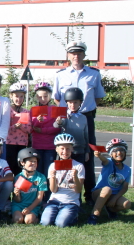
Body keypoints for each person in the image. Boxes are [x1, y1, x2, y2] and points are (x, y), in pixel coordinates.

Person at [53, 41, 105, 204]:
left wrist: (83, 111)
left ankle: (89, 195)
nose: (76, 56)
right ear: (68, 56)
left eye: (79, 53)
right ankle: (64, 192)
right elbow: (56, 98)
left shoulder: (94, 74)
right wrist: (67, 114)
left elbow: (97, 97)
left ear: (84, 55)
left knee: (87, 156)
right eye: (73, 53)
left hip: (86, 117)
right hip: (66, 118)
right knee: (64, 154)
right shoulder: (60, 74)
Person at [53, 87, 91, 203]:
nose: (73, 105)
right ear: (66, 103)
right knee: (63, 175)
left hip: (79, 151)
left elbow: (86, 135)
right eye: (70, 103)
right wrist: (59, 121)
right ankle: (60, 198)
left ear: (80, 103)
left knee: (77, 177)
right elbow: (56, 125)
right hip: (66, 152)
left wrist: (87, 151)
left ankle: (76, 200)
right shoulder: (64, 116)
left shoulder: (83, 118)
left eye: (75, 102)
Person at [40, 133, 84, 228]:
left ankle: (74, 215)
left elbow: (78, 190)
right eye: (62, 149)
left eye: (68, 148)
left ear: (72, 149)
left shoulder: (78, 166)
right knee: (45, 222)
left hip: (70, 202)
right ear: (56, 149)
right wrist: (53, 177)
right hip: (54, 201)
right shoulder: (52, 166)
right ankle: (57, 212)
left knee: (60, 224)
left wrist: (75, 176)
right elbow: (53, 190)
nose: (65, 151)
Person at [87, 138, 131, 225]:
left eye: (121, 150)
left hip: (113, 195)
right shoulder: (109, 163)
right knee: (107, 189)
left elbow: (124, 188)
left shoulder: (127, 169)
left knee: (127, 204)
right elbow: (104, 159)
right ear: (111, 154)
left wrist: (115, 199)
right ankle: (94, 215)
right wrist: (99, 155)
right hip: (99, 193)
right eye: (115, 151)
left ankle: (110, 209)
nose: (119, 153)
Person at [31, 82, 61, 183]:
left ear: (50, 96)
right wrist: (37, 121)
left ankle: (48, 195)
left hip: (50, 146)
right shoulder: (33, 109)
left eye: (45, 96)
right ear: (36, 97)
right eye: (40, 97)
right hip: (37, 145)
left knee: (49, 170)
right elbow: (31, 127)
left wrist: (43, 130)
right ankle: (38, 195)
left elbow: (57, 128)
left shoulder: (55, 109)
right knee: (37, 170)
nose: (43, 99)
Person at [11, 148, 47, 225]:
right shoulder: (18, 177)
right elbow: (17, 200)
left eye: (35, 161)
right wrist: (17, 194)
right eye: (30, 161)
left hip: (33, 205)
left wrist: (30, 208)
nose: (33, 163)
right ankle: (13, 214)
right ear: (22, 163)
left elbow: (39, 197)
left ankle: (37, 217)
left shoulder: (41, 177)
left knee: (28, 221)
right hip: (19, 205)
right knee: (18, 220)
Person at [5, 83, 32, 175]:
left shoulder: (26, 112)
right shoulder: (7, 111)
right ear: (11, 96)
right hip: (9, 143)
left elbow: (29, 130)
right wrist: (13, 127)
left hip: (22, 144)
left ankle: (19, 187)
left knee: (20, 167)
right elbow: (3, 128)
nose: (19, 99)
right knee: (10, 165)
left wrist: (21, 126)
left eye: (21, 96)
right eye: (16, 96)